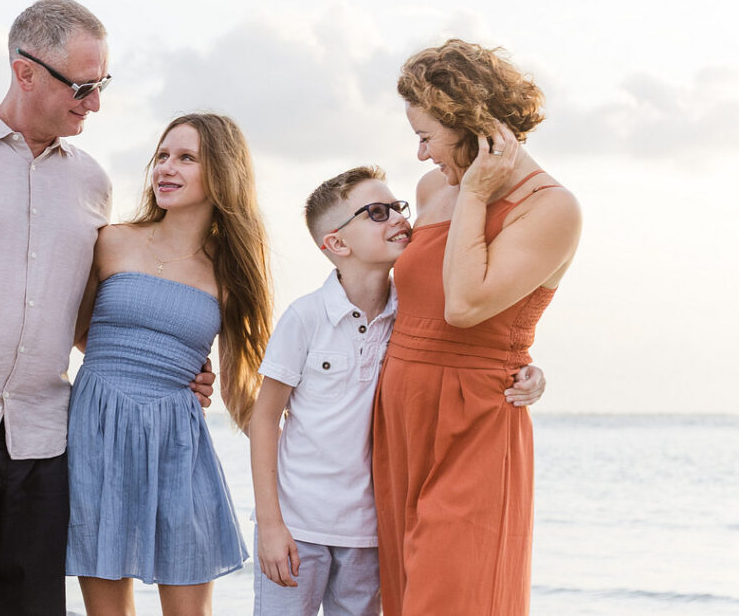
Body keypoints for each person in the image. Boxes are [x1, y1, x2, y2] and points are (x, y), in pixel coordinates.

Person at [0, 0, 213, 615]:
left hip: (47, 436)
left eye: (101, 85)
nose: (94, 103)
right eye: (81, 86)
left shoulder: (91, 182)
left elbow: (83, 317)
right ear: (25, 71)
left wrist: (160, 367)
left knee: (35, 607)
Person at [249, 166, 547, 616]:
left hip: (370, 533)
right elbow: (265, 418)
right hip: (298, 527)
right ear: (337, 244)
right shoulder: (305, 317)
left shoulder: (410, 319)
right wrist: (270, 526)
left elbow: (476, 348)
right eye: (376, 212)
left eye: (397, 207)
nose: (399, 219)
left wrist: (529, 371)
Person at [373, 39, 582, 614]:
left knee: (454, 597)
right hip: (399, 418)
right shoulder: (430, 190)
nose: (419, 156)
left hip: (475, 422)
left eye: (426, 137)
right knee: (403, 595)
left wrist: (475, 195)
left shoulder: (550, 207)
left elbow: (465, 307)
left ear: (471, 126)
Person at [65, 113, 273, 616]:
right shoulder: (110, 241)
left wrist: (302, 454)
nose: (166, 168)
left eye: (186, 158)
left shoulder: (232, 271)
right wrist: (139, 364)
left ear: (221, 173)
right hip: (95, 436)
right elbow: (77, 331)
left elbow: (245, 392)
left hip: (178, 443)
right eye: (162, 156)